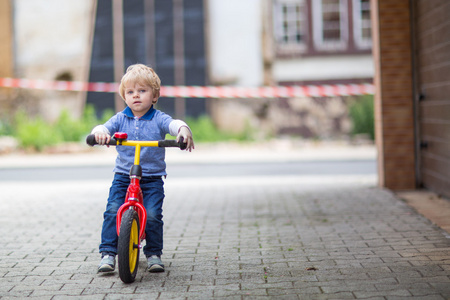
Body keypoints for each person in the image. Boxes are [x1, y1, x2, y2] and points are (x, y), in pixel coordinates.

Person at [91, 64, 194, 273]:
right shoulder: (121, 118)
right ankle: (108, 253)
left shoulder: (158, 118)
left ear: (154, 96)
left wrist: (183, 130)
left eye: (142, 91)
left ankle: (154, 253)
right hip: (123, 176)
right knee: (112, 210)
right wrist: (100, 133)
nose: (136, 96)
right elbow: (103, 127)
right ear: (124, 96)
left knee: (154, 213)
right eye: (130, 92)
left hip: (152, 178)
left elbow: (174, 124)